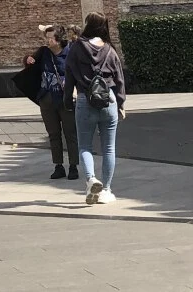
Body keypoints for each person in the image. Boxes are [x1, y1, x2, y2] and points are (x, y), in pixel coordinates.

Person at [64, 13, 126, 205]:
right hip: (109, 101)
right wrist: (122, 103)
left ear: (87, 25)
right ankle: (106, 190)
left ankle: (91, 180)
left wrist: (67, 101)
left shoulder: (76, 48)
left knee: (84, 146)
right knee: (109, 148)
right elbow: (120, 78)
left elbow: (69, 76)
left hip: (85, 100)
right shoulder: (109, 49)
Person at [20, 25, 78, 180]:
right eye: (47, 37)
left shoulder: (70, 52)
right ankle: (58, 166)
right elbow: (29, 62)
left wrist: (70, 83)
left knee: (70, 133)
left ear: (59, 40)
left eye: (51, 37)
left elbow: (78, 70)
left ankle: (73, 166)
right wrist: (28, 59)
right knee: (53, 134)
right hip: (47, 99)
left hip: (66, 99)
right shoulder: (43, 52)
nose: (48, 40)